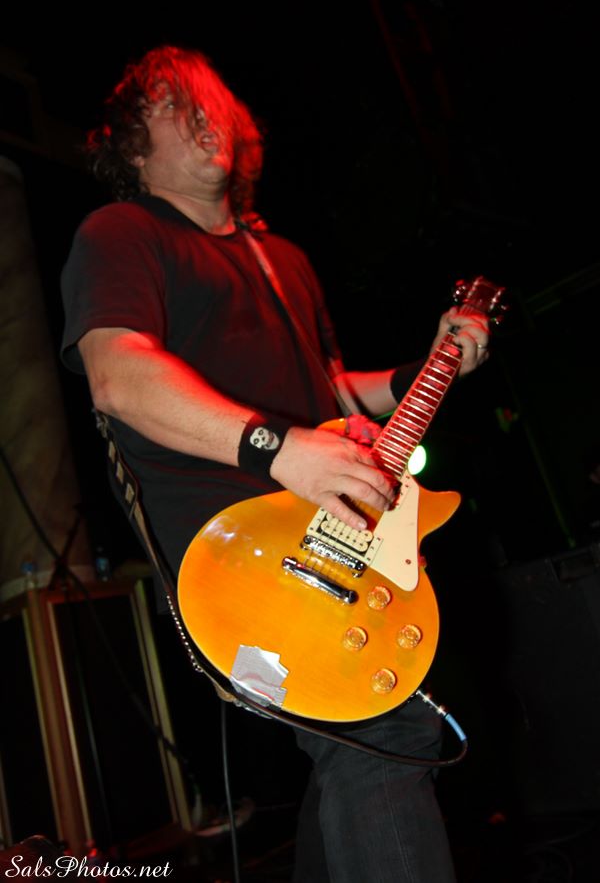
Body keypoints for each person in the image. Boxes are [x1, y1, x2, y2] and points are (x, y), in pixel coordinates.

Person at [61, 45, 489, 883]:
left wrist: (428, 364)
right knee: (382, 731)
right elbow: (118, 376)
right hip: (238, 546)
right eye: (175, 105)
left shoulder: (282, 258)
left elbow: (330, 390)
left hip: (330, 518)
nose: (203, 117)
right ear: (132, 145)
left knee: (355, 739)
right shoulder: (122, 233)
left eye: (211, 103)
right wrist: (279, 449)